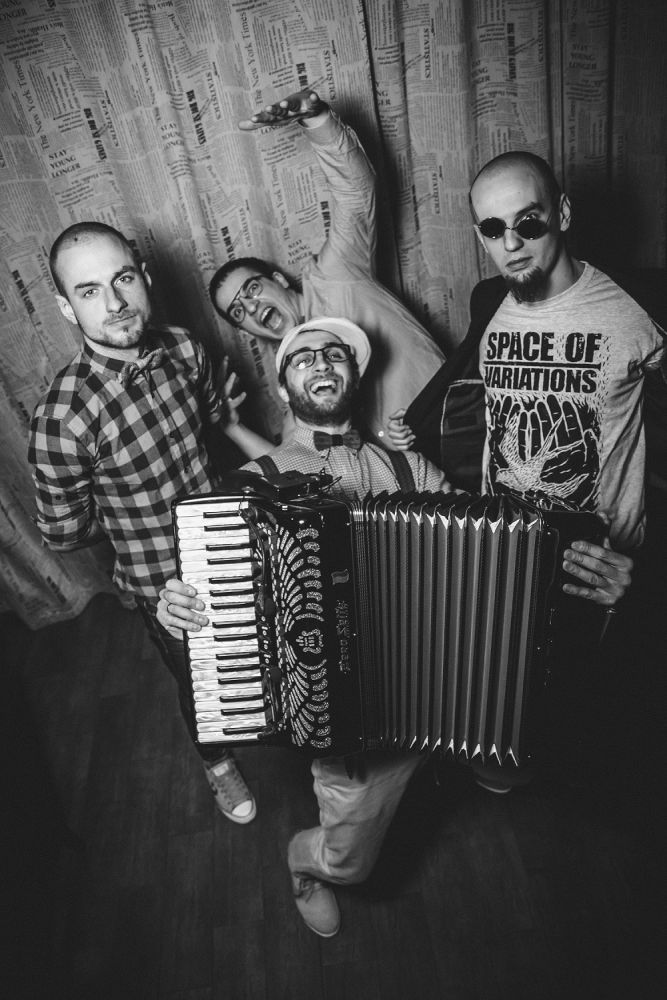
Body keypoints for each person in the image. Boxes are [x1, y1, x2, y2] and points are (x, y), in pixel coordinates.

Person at [155, 317, 632, 937]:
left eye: (335, 354)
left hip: (453, 696)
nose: (321, 362)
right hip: (355, 737)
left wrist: (595, 583)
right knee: (349, 865)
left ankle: (478, 757)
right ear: (284, 389)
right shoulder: (254, 489)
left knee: (518, 754)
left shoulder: (411, 468)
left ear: (356, 375)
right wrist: (184, 611)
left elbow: (503, 559)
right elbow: (214, 607)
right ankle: (304, 865)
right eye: (302, 357)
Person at [27, 221, 268, 825]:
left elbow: (210, 420)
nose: (114, 303)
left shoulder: (185, 348)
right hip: (167, 588)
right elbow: (64, 532)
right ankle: (217, 764)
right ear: (66, 307)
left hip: (232, 540)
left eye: (123, 279)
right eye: (89, 291)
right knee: (201, 687)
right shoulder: (60, 421)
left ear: (145, 278)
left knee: (264, 652)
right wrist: (135, 527)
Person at [390, 151, 665, 555]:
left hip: (596, 561)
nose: (511, 243)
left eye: (529, 222)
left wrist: (645, 571)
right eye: (493, 228)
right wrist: (418, 425)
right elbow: (472, 403)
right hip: (500, 551)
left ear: (563, 214)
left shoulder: (640, 307)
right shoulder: (488, 304)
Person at [209, 88, 445, 447]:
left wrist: (316, 118)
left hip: (451, 420)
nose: (252, 308)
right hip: (405, 471)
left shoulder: (335, 274)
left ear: (278, 279)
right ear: (246, 329)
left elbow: (355, 194)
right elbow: (293, 461)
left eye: (252, 290)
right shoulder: (294, 371)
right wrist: (232, 428)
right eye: (239, 311)